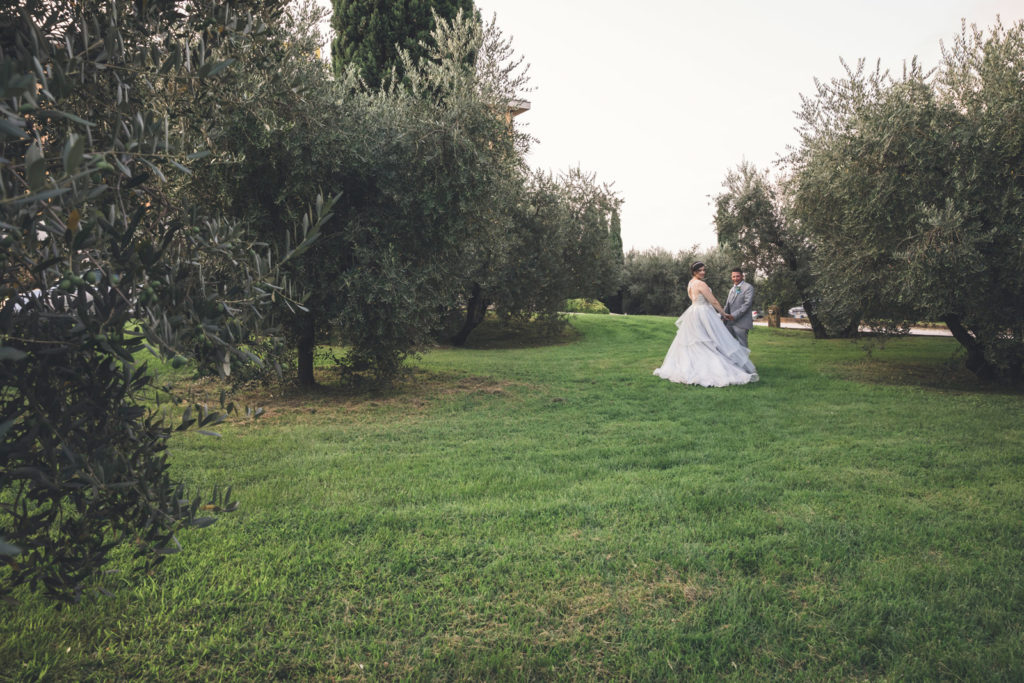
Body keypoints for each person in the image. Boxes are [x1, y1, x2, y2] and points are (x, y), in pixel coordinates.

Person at [653, 262, 758, 387]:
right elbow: (713, 301)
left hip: (693, 312)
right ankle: (712, 368)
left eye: (704, 270)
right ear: (694, 272)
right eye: (700, 270)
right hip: (703, 312)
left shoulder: (690, 283)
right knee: (710, 340)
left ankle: (693, 366)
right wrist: (723, 313)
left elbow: (693, 300)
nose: (703, 272)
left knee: (697, 340)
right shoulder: (700, 284)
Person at [722, 267, 754, 348]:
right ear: (731, 277)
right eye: (733, 276)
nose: (735, 278)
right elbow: (727, 305)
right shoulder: (732, 289)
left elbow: (747, 304)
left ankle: (744, 361)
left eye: (737, 276)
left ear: (742, 276)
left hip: (742, 323)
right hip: (729, 323)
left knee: (742, 346)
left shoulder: (748, 287)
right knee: (729, 346)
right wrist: (723, 316)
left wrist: (734, 315)